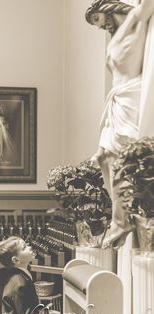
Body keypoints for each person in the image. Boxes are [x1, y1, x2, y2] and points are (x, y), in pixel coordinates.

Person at [85, 0, 154, 249]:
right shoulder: (118, 35)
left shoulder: (136, 19)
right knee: (105, 158)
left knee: (119, 159)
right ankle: (121, 215)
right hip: (119, 98)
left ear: (107, 9)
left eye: (97, 19)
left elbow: (146, 7)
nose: (100, 26)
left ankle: (121, 220)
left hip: (130, 97)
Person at [0, 236, 61, 314]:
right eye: (24, 247)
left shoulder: (20, 276)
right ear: (16, 260)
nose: (29, 247)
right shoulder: (19, 283)